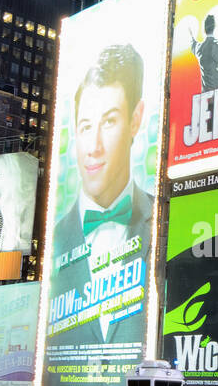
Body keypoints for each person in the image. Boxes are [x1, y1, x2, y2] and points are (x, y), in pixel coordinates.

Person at [48, 44, 156, 350]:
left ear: (136, 119)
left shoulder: (163, 220)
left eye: (109, 122)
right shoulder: (55, 240)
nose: (93, 146)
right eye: (85, 126)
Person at [190, 14, 218, 91]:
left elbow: (193, 43)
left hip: (205, 95)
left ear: (204, 30)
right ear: (215, 27)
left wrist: (190, 34)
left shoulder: (198, 48)